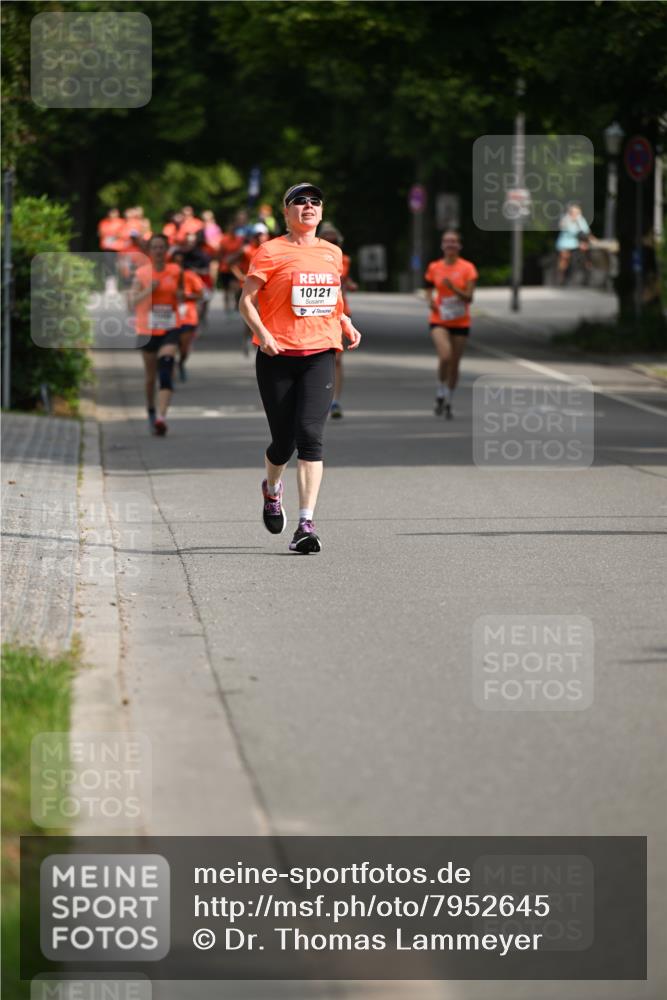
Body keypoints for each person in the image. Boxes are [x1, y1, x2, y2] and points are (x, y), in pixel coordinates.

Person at [239, 182, 362, 553]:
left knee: (310, 436)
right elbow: (246, 301)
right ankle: (272, 489)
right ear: (287, 212)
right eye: (299, 202)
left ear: (321, 212)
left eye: (315, 202)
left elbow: (333, 296)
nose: (308, 206)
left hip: (320, 353)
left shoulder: (332, 253)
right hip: (276, 355)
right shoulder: (270, 252)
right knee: (283, 442)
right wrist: (263, 333)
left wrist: (345, 322)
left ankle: (306, 524)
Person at [129, 233, 183, 436]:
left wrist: (181, 296)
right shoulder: (142, 273)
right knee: (150, 378)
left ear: (167, 249)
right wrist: (148, 291)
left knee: (166, 367)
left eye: (162, 247)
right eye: (155, 247)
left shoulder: (176, 270)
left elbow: (181, 293)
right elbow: (132, 302)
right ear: (149, 251)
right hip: (146, 329)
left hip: (170, 326)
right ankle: (151, 411)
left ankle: (162, 417)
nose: (159, 251)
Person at [424, 230, 478, 419]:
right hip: (439, 319)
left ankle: (448, 399)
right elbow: (428, 288)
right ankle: (440, 390)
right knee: (445, 356)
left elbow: (469, 297)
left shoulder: (468, 268)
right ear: (442, 245)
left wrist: (453, 288)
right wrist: (430, 300)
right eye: (447, 241)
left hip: (461, 320)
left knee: (455, 363)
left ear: (459, 245)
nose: (450, 245)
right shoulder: (435, 267)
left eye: (454, 242)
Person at [319, 222, 357, 418]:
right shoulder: (309, 257)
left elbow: (341, 279)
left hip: (340, 312)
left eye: (334, 240)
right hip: (316, 313)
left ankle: (334, 401)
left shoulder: (344, 259)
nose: (330, 243)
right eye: (326, 239)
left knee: (337, 360)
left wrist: (349, 284)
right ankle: (317, 397)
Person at [232, 223, 271, 355]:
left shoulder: (270, 249)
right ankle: (248, 339)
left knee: (262, 314)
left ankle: (257, 339)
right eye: (257, 235)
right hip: (248, 287)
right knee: (250, 314)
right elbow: (231, 262)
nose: (260, 237)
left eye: (263, 234)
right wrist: (241, 276)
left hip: (265, 288)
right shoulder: (247, 249)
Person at [170, 247, 204, 382]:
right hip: (171, 317)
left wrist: (187, 295)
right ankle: (169, 376)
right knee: (170, 348)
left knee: (184, 349)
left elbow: (201, 295)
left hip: (188, 317)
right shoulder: (166, 276)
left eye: (180, 262)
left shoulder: (190, 275)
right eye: (174, 262)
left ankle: (181, 363)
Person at [556, 203, 592, 284]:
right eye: (573, 212)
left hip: (577, 243)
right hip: (565, 243)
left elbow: (586, 231)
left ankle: (585, 276)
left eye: (577, 212)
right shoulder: (565, 219)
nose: (575, 214)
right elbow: (569, 231)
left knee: (586, 254)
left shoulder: (581, 219)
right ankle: (561, 278)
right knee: (564, 259)